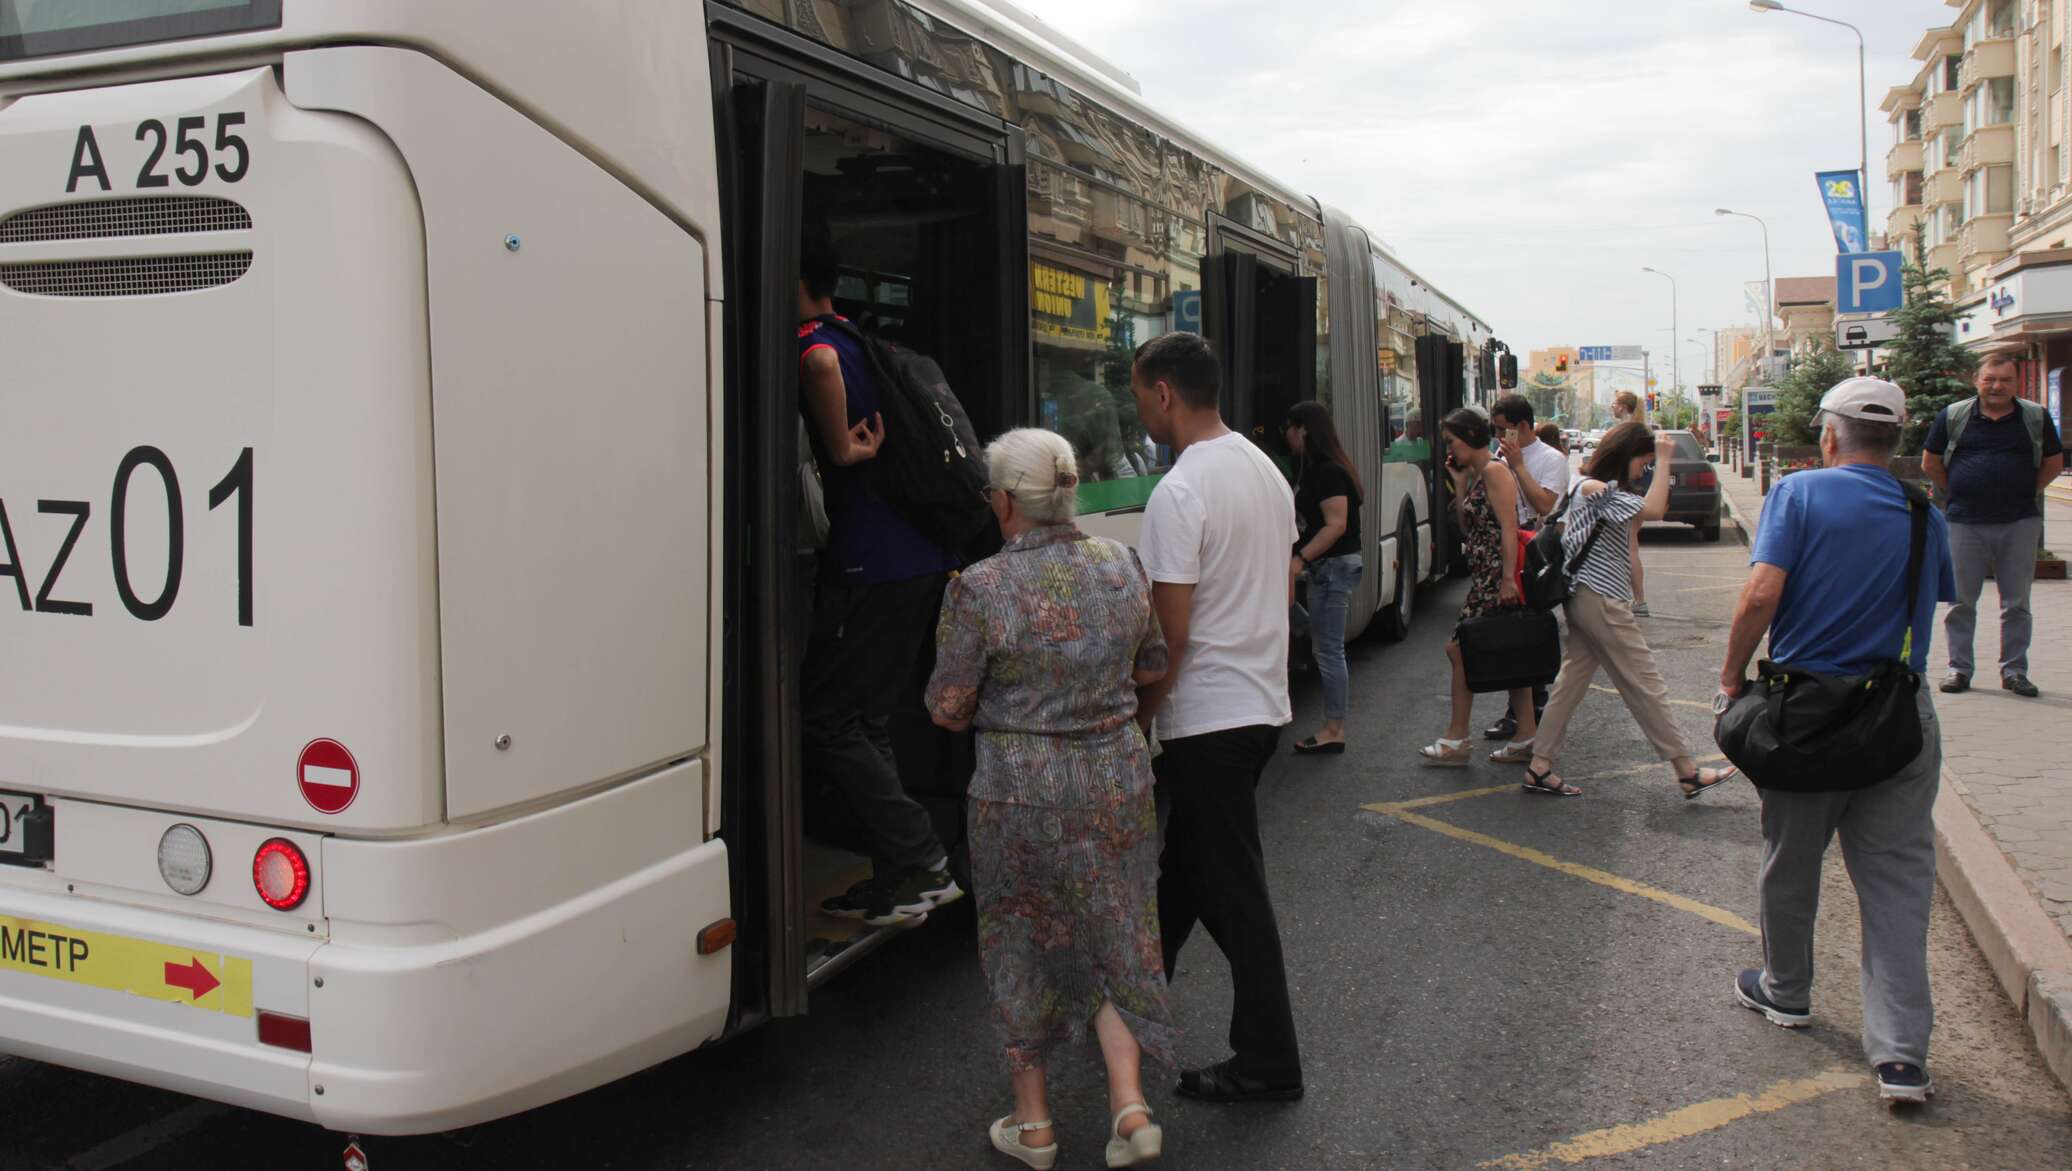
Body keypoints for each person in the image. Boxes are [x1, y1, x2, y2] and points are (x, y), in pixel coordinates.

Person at [927, 429, 1173, 1170]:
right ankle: (1130, 1108)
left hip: (1017, 795)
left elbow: (948, 706)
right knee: (1119, 930)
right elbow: (1154, 662)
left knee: (1018, 944)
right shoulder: (1121, 565)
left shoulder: (979, 588)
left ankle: (1034, 1126)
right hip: (1117, 783)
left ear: (1004, 501)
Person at [1717, 378, 1956, 1105]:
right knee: (1896, 882)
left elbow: (1761, 594)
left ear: (1829, 436)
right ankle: (1901, 1057)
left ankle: (1787, 989)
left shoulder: (1799, 495)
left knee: (1791, 861)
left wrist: (1730, 675)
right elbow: (1934, 601)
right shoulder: (1924, 511)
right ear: (1897, 442)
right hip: (1898, 719)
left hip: (1808, 718)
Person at [1129, 332, 1305, 1104]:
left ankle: (1269, 1059)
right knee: (1186, 874)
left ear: (1163, 393)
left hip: (1208, 719)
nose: (1142, 415)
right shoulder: (1264, 470)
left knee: (1231, 890)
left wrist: (1138, 718)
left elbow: (1171, 635)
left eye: (1140, 399)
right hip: (1261, 705)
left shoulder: (1179, 490)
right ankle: (1126, 1016)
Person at [796, 235, 963, 925]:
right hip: (916, 557)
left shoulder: (814, 339)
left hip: (871, 563)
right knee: (867, 719)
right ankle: (902, 872)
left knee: (829, 719)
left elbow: (818, 362)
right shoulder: (864, 339)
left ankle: (921, 858)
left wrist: (841, 447)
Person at [1521, 423, 1739, 798]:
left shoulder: (1586, 486)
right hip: (1601, 600)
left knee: (1571, 684)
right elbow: (1655, 508)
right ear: (1626, 456)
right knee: (1645, 684)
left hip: (1585, 598)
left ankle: (1539, 766)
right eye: (1645, 462)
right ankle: (1686, 770)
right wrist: (1668, 456)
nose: (1646, 470)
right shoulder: (1596, 490)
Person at [1923, 353, 2065, 698]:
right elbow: (1932, 462)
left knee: (2017, 603)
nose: (1997, 386)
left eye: (2005, 380)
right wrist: (1957, 491)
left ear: (2017, 384)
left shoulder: (2034, 417)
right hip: (1964, 522)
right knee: (1959, 602)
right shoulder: (1954, 416)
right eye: (1990, 379)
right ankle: (1958, 669)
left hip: (2019, 522)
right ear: (1977, 381)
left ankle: (2015, 671)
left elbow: (2053, 463)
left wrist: (2025, 491)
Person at [1418, 408, 1542, 767]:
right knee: (1509, 652)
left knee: (1458, 648)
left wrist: (1506, 580)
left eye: (1453, 441)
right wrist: (1458, 484)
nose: (1450, 449)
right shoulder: (1476, 475)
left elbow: (1508, 526)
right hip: (1486, 575)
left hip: (1496, 578)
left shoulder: (1494, 471)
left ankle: (1457, 737)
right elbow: (1468, 527)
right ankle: (1527, 735)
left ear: (1471, 437)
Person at [1483, 395, 1572, 743]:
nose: (1499, 436)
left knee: (1526, 632)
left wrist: (1518, 466)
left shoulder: (1552, 460)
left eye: (1503, 429)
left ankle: (1529, 711)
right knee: (1511, 631)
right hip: (1505, 547)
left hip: (1534, 550)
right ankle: (1523, 710)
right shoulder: (1497, 457)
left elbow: (1545, 505)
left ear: (1521, 427)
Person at [1283, 400, 1364, 755]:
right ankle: (1334, 725)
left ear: (1303, 429)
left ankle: (1335, 728)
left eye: (1289, 427)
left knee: (1329, 651)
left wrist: (1300, 558)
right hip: (1327, 567)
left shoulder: (1328, 471)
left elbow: (1336, 525)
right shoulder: (1318, 467)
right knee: (1313, 634)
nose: (1285, 435)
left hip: (1331, 567)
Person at [1610, 390, 1650, 616]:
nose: (1612, 408)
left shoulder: (1623, 431)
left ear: (1623, 406)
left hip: (1627, 490)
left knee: (1629, 546)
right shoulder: (1641, 429)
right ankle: (1637, 599)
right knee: (1630, 545)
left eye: (1614, 404)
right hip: (1640, 491)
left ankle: (1639, 600)